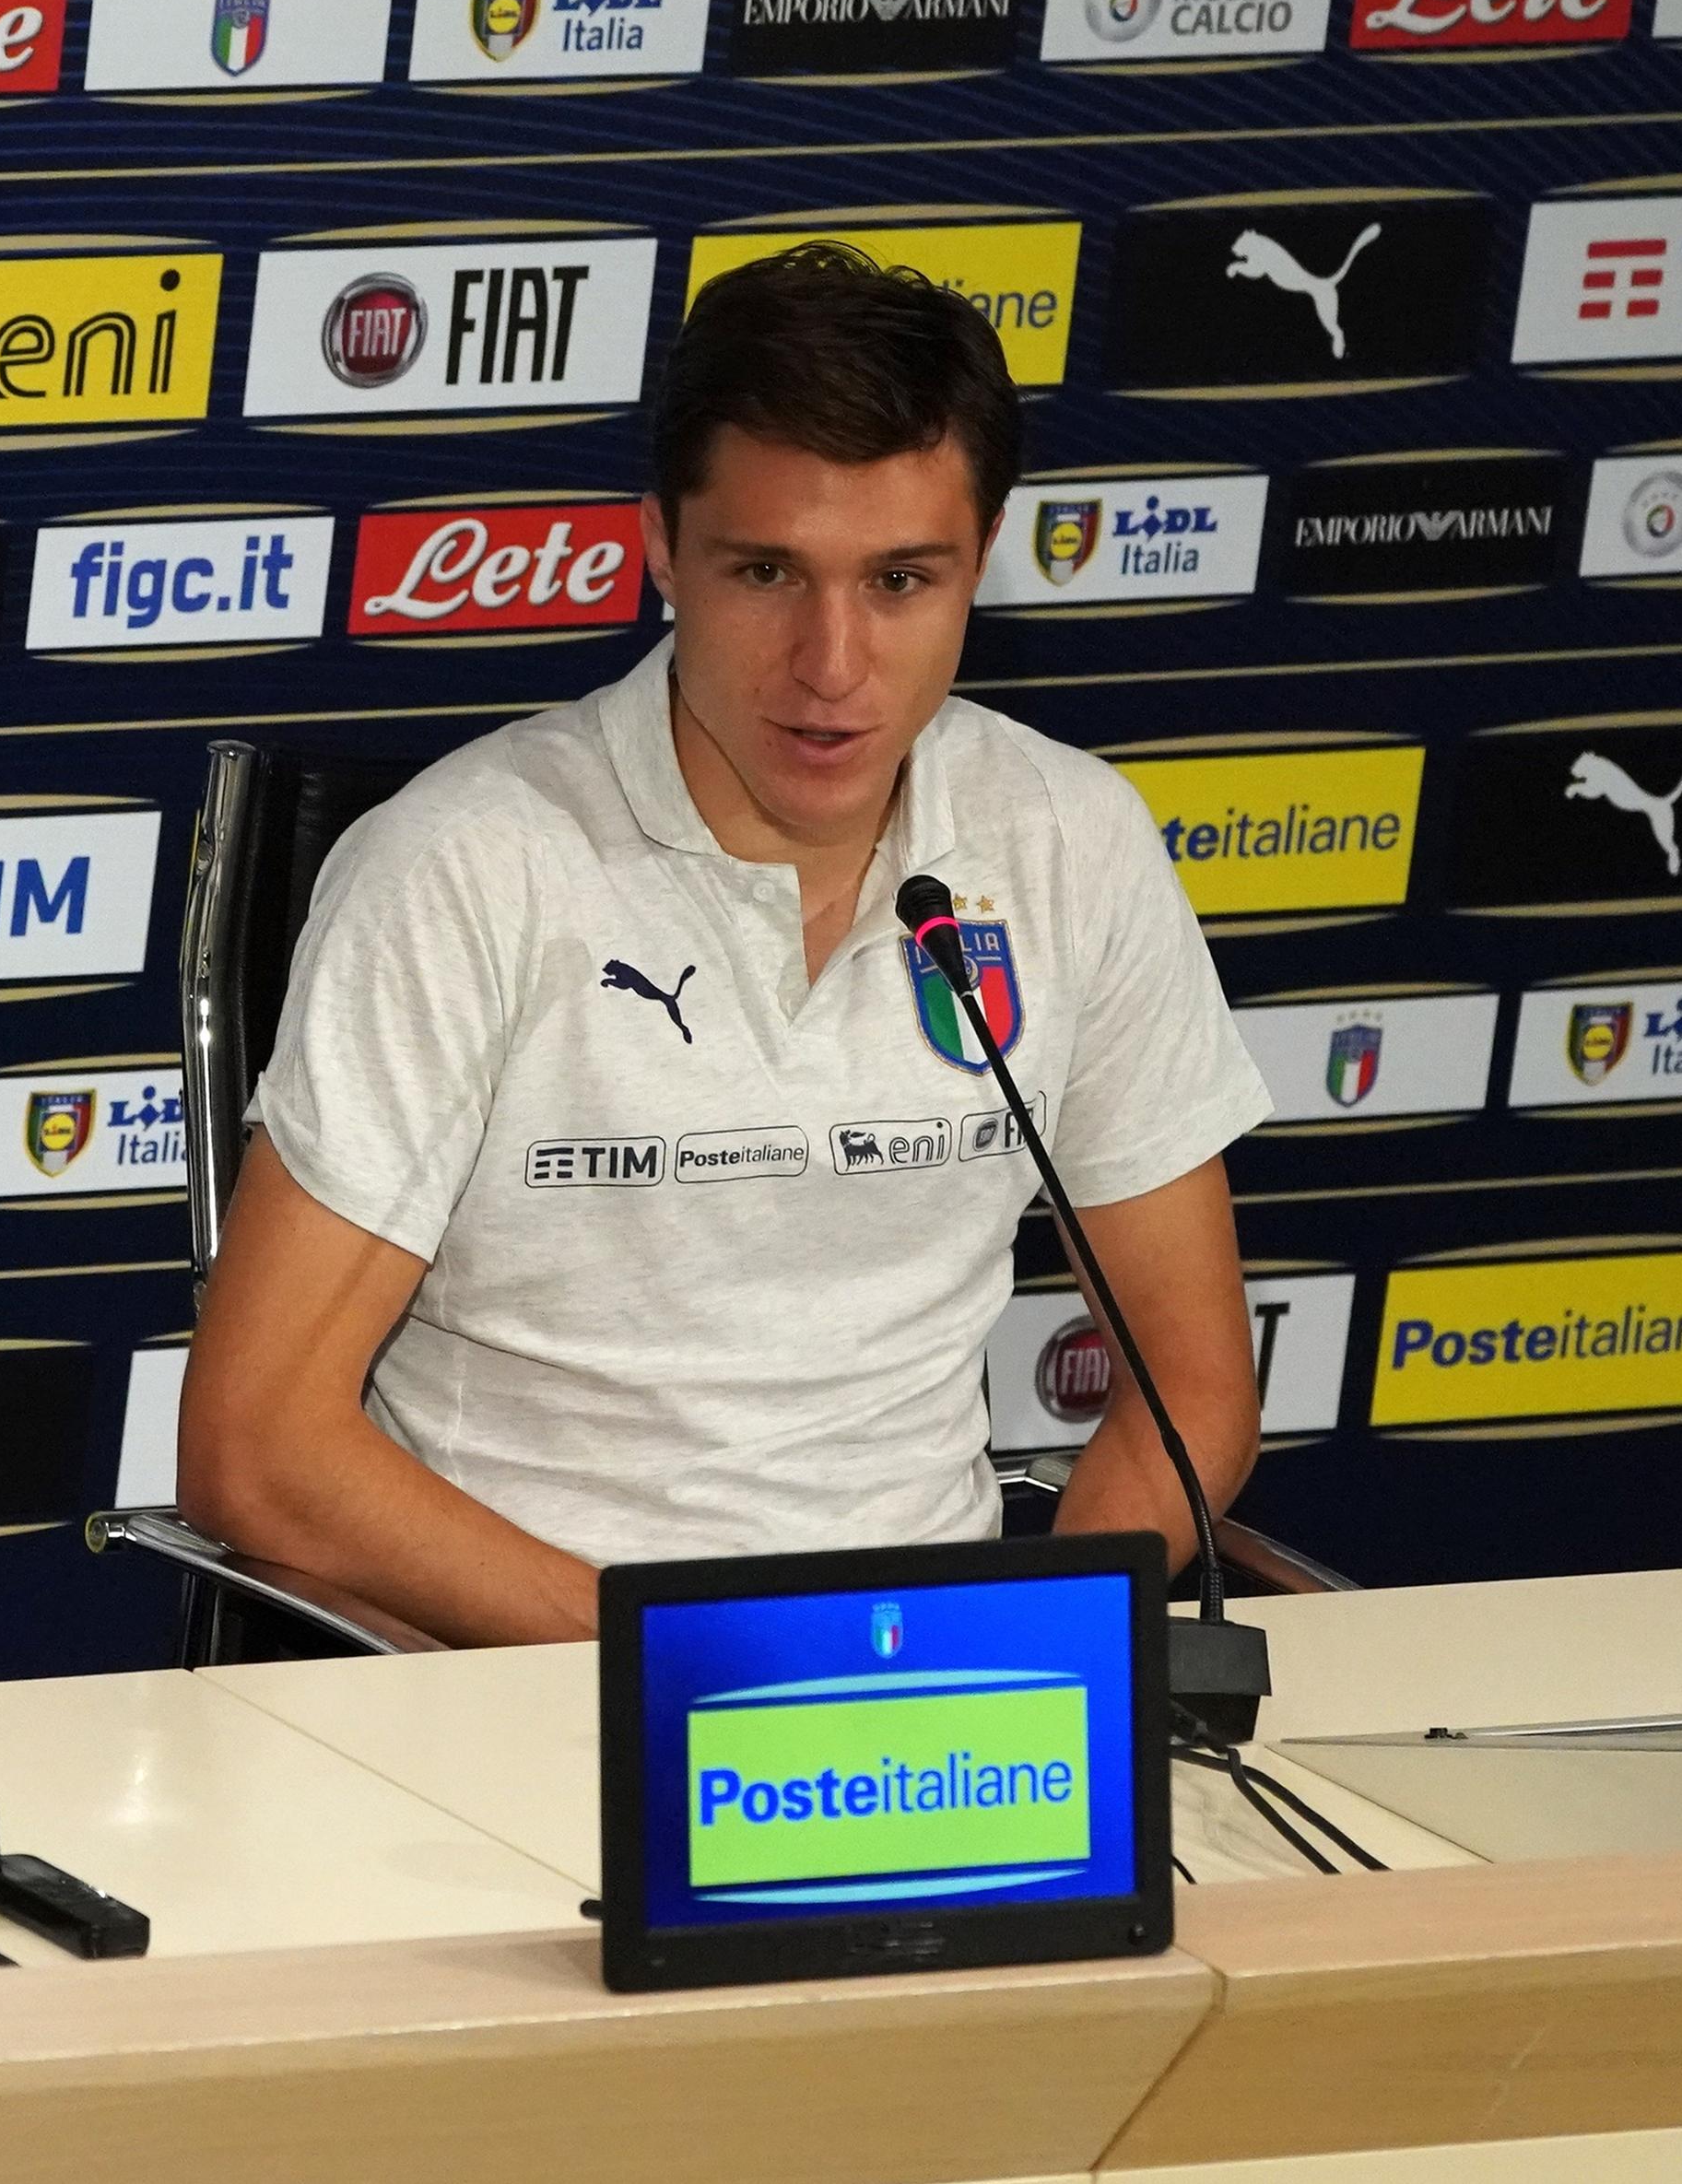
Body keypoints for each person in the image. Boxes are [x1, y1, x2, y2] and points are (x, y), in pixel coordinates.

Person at [178, 242, 1274, 1647]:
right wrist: (704, 1678)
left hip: (930, 1706)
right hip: (510, 1686)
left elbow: (1193, 1388)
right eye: (767, 573)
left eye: (900, 581)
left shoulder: (1071, 841)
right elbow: (256, 1449)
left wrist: (1032, 1653)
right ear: (660, 550)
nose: (831, 665)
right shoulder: (466, 865)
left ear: (984, 564)